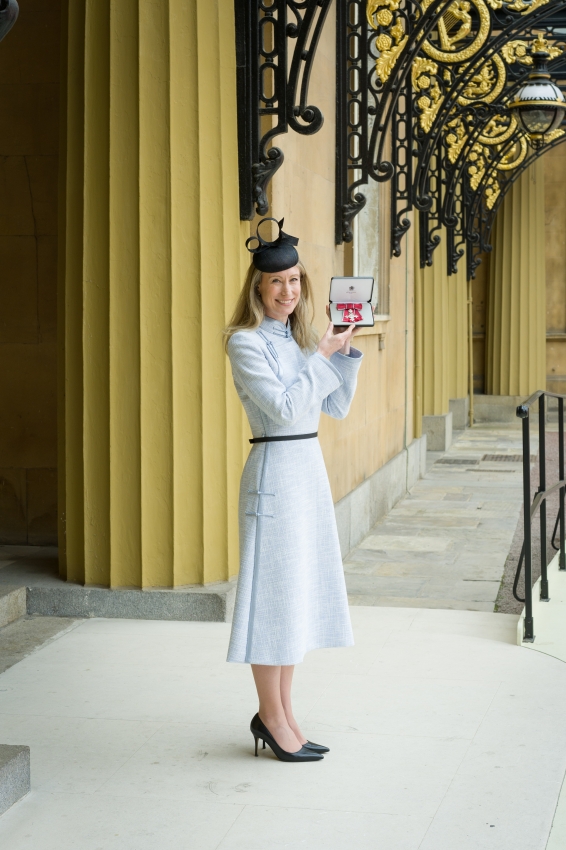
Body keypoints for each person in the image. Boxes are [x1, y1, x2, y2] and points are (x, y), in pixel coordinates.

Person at [224, 218, 363, 763]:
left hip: (306, 471)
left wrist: (343, 352)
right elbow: (283, 409)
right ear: (258, 286)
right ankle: (271, 717)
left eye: (296, 281)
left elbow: (334, 407)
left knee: (295, 597)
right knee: (272, 603)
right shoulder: (245, 342)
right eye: (277, 281)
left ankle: (283, 714)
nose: (288, 291)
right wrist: (321, 357)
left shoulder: (300, 338)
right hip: (275, 474)